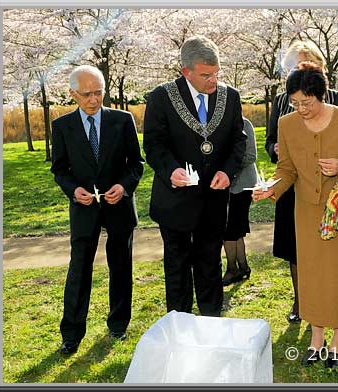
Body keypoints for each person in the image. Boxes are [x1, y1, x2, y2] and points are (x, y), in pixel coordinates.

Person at [254, 62, 338, 368]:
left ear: (322, 95)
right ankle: (316, 338)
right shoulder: (286, 124)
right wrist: (272, 189)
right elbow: (287, 170)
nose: (301, 109)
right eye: (295, 103)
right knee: (312, 275)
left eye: (306, 102)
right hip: (305, 213)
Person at [143, 35, 246, 316]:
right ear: (185, 71)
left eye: (216, 73)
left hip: (213, 200)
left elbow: (239, 141)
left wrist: (227, 171)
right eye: (205, 75)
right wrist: (171, 169)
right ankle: (180, 326)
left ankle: (211, 322)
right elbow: (153, 145)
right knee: (176, 266)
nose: (213, 81)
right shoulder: (161, 98)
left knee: (210, 262)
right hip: (174, 200)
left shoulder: (230, 96)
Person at [50, 65, 144, 355]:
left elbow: (136, 164)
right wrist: (73, 190)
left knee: (120, 267)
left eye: (99, 92)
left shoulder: (123, 120)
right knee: (79, 269)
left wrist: (123, 187)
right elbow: (59, 169)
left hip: (119, 208)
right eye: (87, 94)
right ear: (73, 95)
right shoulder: (62, 126)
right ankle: (72, 333)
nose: (94, 99)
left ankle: (118, 324)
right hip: (83, 210)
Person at [265, 39, 338, 323]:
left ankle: (327, 300)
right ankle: (300, 300)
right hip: (291, 188)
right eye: (291, 67)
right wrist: (275, 148)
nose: (295, 70)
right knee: (295, 248)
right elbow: (271, 139)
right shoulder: (280, 100)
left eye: (301, 64)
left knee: (326, 247)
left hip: (325, 188)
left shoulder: (334, 98)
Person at [222, 117, 258, 286]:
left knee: (232, 229)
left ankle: (233, 269)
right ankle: (241, 266)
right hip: (222, 184)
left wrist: (227, 169)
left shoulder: (245, 123)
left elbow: (251, 155)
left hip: (242, 184)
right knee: (231, 229)